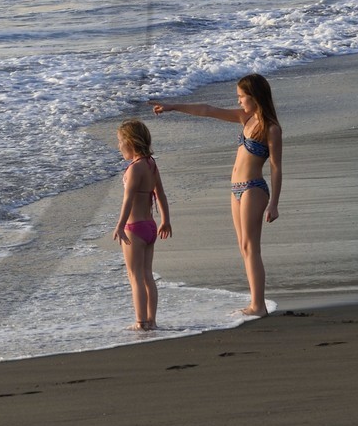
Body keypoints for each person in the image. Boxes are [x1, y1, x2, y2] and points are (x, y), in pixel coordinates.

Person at [152, 73, 282, 317]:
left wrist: (274, 203)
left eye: (242, 97)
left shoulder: (271, 128)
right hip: (235, 190)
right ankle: (255, 301)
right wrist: (173, 107)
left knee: (250, 247)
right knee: (243, 247)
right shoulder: (246, 118)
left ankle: (258, 305)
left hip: (254, 188)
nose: (239, 101)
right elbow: (206, 110)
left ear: (255, 97)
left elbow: (276, 167)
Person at [111, 118, 172, 331]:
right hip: (150, 227)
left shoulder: (134, 168)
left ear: (131, 142)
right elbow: (161, 194)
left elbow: (127, 200)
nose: (119, 147)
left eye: (120, 142)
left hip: (134, 228)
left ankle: (141, 321)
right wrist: (165, 220)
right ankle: (152, 320)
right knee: (147, 274)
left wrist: (119, 225)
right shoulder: (151, 164)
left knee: (135, 276)